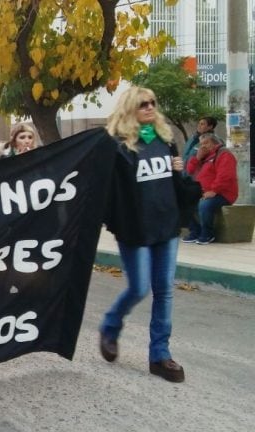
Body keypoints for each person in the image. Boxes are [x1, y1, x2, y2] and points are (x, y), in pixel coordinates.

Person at [100, 86, 186, 383]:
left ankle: (160, 355)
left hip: (166, 224)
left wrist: (179, 169)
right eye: (142, 104)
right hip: (135, 228)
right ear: (129, 109)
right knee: (139, 289)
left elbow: (174, 181)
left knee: (164, 291)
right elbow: (105, 188)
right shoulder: (116, 145)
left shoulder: (164, 138)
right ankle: (110, 325)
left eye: (152, 103)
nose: (150, 108)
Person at [183, 133, 238, 245]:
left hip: (222, 193)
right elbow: (189, 170)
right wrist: (197, 157)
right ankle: (195, 231)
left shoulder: (224, 154)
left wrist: (213, 190)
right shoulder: (203, 155)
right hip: (204, 191)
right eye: (201, 144)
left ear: (215, 143)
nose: (203, 146)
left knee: (205, 204)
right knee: (183, 200)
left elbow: (225, 176)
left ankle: (207, 233)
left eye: (206, 143)